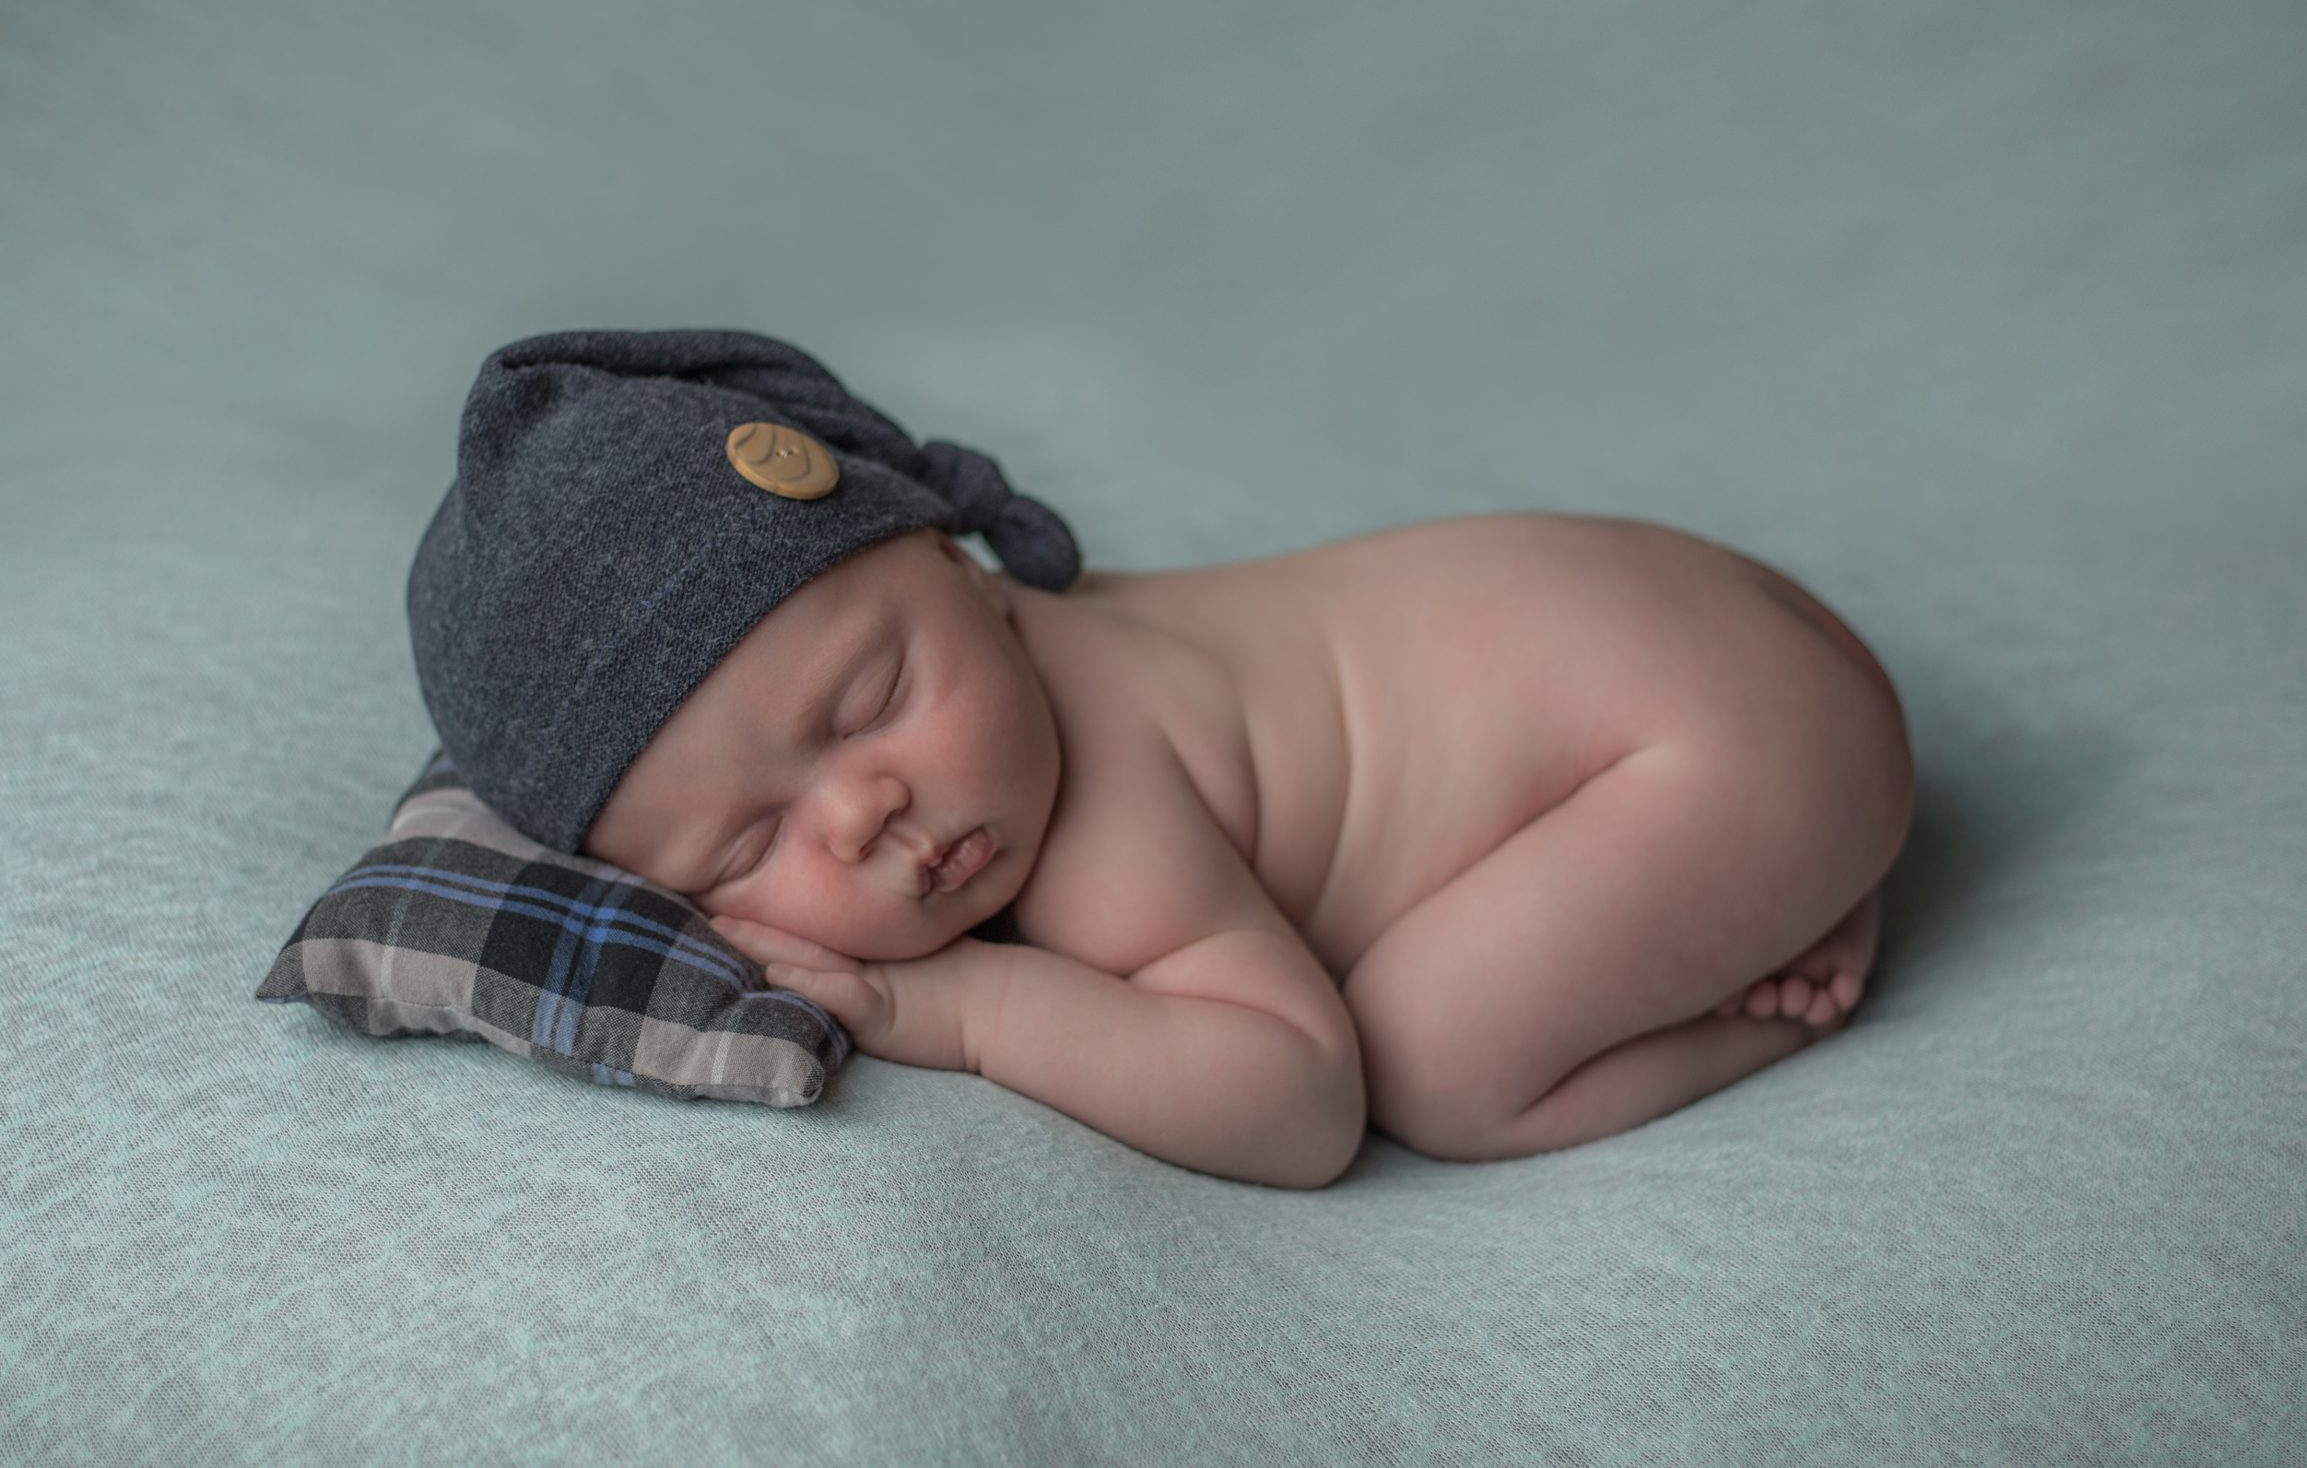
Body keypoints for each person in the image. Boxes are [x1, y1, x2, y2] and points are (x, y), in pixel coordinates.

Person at [411, 329, 1913, 1190]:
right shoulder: (1017, 650)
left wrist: (975, 1007)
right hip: (1712, 617)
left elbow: (1303, 1102)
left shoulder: (1103, 810)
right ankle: (1771, 868)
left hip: (1723, 740)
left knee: (1433, 1066)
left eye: (871, 699)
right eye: (743, 857)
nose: (864, 813)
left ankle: (1777, 973)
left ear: (954, 557)